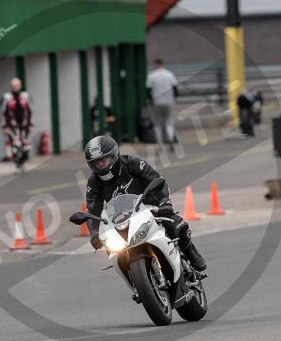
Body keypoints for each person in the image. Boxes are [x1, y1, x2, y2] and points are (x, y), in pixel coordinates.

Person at [84, 135, 207, 272]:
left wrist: (164, 203)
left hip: (151, 209)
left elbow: (156, 181)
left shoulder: (132, 163)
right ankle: (135, 281)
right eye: (96, 162)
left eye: (103, 159)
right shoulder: (94, 181)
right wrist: (94, 233)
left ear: (113, 155)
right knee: (112, 250)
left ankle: (191, 252)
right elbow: (93, 210)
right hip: (121, 219)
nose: (100, 164)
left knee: (178, 225)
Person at [146, 58, 179, 150]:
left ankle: (160, 143)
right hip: (169, 102)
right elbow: (175, 89)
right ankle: (170, 138)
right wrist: (173, 99)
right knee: (169, 122)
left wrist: (150, 101)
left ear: (155, 64)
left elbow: (148, 91)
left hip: (157, 102)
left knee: (157, 124)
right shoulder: (169, 74)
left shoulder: (151, 76)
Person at [0, 78, 34, 161]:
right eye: (13, 86)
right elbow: (2, 113)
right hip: (11, 125)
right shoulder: (6, 97)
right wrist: (4, 126)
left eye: (16, 86)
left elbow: (31, 111)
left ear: (20, 86)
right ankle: (13, 158)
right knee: (15, 143)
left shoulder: (26, 96)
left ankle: (24, 158)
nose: (15, 88)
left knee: (26, 144)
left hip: (24, 125)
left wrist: (31, 124)